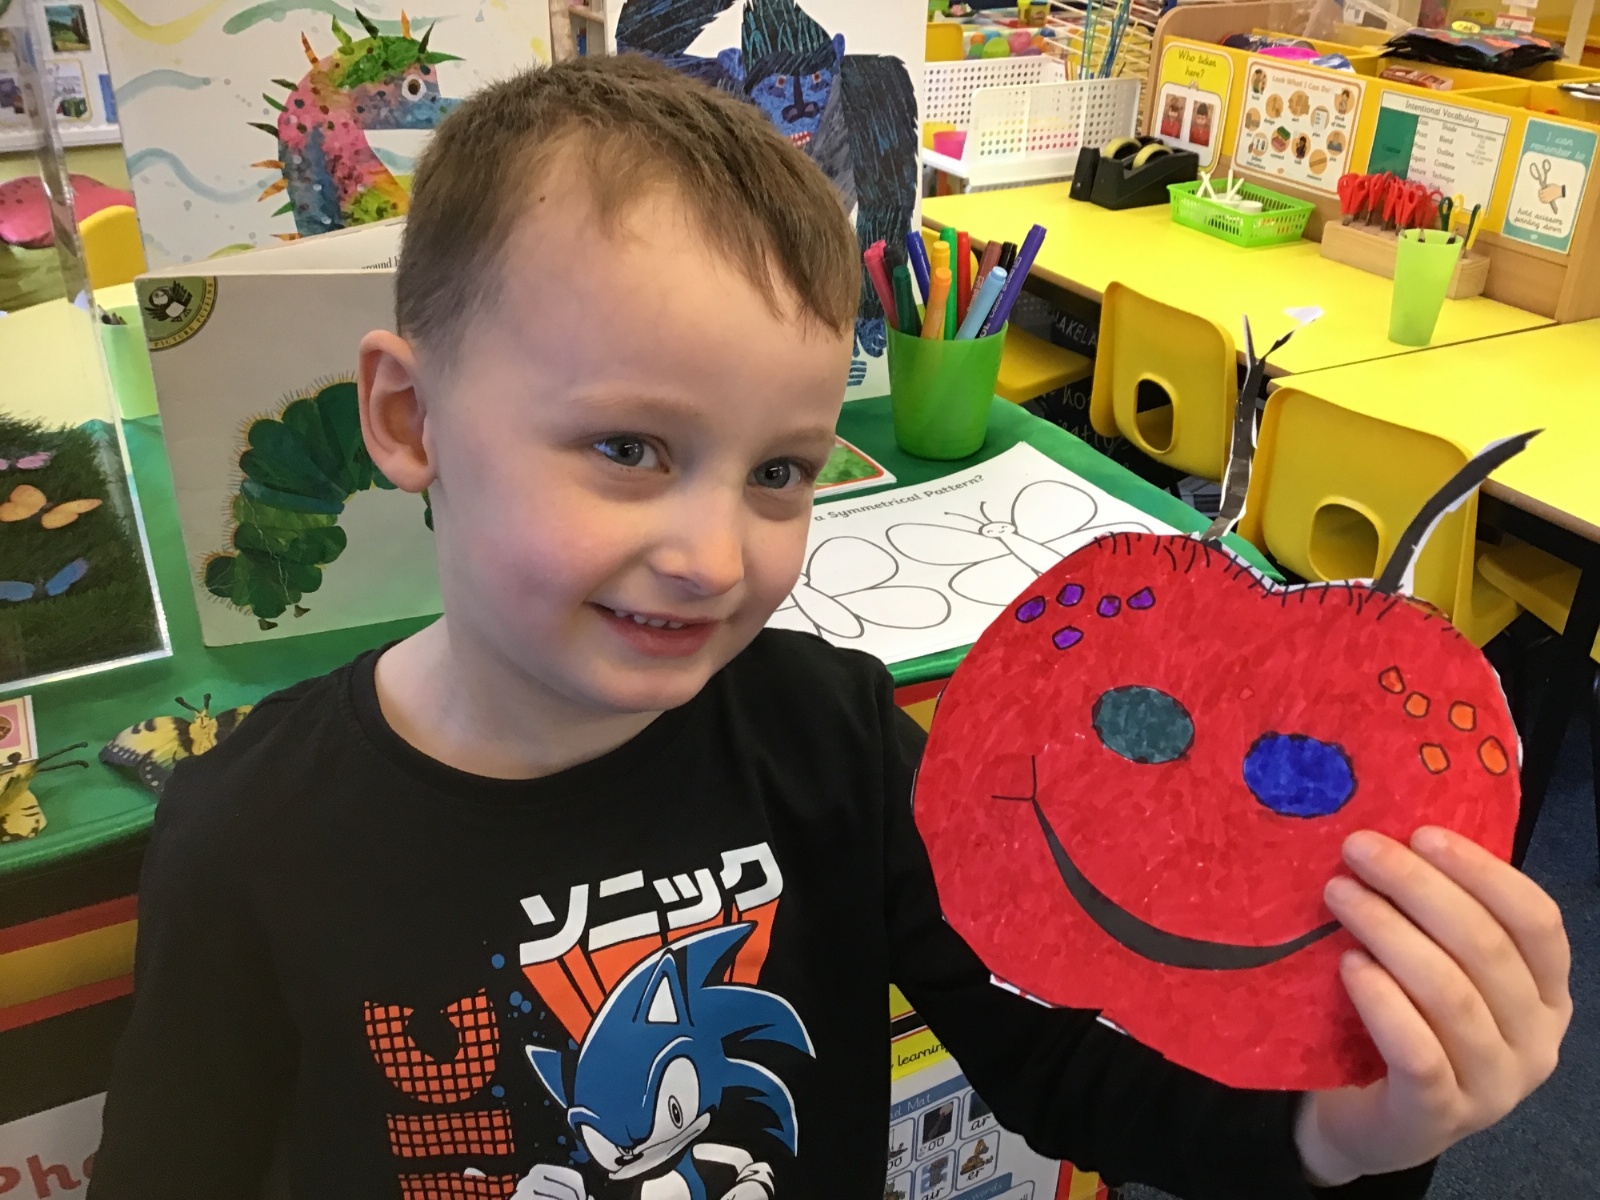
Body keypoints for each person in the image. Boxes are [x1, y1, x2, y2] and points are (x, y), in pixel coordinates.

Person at [90, 55, 1571, 1200]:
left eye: (780, 471)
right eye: (627, 449)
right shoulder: (250, 836)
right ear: (411, 420)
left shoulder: (832, 733)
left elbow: (1054, 1061)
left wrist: (1349, 1129)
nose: (712, 556)